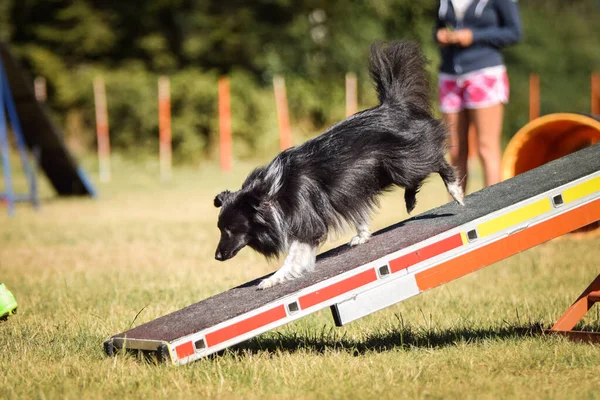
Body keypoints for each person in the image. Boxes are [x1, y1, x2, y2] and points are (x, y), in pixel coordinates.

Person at [435, 0, 522, 192]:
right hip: (449, 75)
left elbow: (514, 32)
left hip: (484, 73)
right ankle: (454, 215)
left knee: (486, 147)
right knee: (455, 150)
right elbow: (437, 27)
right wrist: (439, 35)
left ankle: (495, 209)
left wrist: (474, 36)